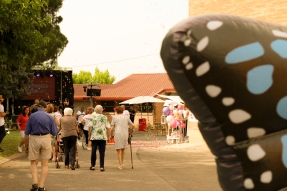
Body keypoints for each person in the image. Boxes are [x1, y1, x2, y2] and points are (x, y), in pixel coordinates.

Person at [24, 101, 58, 191]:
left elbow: (27, 132)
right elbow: (54, 132)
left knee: (34, 162)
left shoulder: (32, 116)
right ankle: (41, 186)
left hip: (34, 138)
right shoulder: (49, 117)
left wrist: (26, 145)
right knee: (45, 164)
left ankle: (34, 182)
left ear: (38, 107)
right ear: (45, 108)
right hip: (46, 138)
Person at [88, 105, 111, 171]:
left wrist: (89, 135)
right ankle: (101, 166)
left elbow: (90, 127)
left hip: (94, 136)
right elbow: (108, 127)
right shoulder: (104, 117)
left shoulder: (92, 117)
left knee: (93, 151)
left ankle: (93, 165)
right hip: (103, 137)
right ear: (101, 110)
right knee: (102, 152)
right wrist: (109, 136)